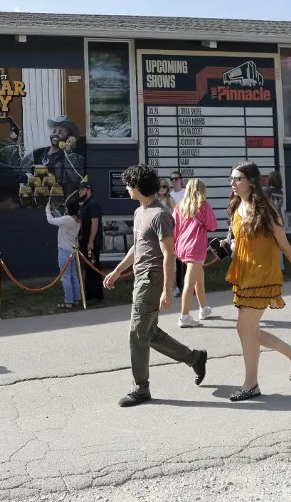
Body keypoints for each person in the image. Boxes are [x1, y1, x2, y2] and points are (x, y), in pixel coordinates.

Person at [103, 164, 208, 407]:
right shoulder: (141, 212)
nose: (127, 189)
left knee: (137, 333)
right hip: (141, 278)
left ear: (138, 187)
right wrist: (118, 271)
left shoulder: (161, 215)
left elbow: (168, 254)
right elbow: (137, 246)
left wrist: (167, 290)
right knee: (149, 333)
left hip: (152, 279)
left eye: (129, 185)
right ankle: (194, 358)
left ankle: (141, 388)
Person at [223, 161, 291, 402]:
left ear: (251, 182)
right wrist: (227, 246)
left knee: (244, 329)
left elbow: (286, 247)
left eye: (237, 179)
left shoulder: (268, 213)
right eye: (231, 179)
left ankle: (251, 384)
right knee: (250, 330)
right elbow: (240, 243)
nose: (232, 183)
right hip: (244, 275)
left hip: (263, 277)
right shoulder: (237, 207)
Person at [173, 179, 218, 327]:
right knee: (190, 282)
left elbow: (174, 229)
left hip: (182, 246)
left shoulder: (180, 207)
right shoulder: (203, 206)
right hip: (196, 247)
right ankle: (184, 316)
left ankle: (203, 308)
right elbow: (213, 226)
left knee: (199, 277)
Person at [46, 200, 81, 310]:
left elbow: (51, 220)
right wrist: (54, 210)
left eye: (66, 207)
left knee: (65, 277)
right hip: (72, 251)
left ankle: (68, 302)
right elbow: (61, 220)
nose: (65, 208)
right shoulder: (77, 220)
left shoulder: (67, 220)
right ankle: (77, 299)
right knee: (74, 276)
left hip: (64, 250)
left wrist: (47, 209)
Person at [77, 180, 104, 304]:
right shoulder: (85, 204)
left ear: (88, 190)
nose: (80, 192)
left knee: (94, 268)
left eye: (82, 190)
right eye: (79, 190)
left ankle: (97, 295)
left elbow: (95, 223)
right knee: (88, 268)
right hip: (85, 242)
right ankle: (89, 293)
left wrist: (91, 242)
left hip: (91, 243)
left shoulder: (93, 204)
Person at [157, 177, 184, 297]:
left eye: (164, 187)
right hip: (158, 234)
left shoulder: (169, 199)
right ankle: (163, 288)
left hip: (169, 232)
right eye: (160, 187)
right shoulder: (155, 200)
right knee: (160, 262)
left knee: (171, 263)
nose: (162, 189)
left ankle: (173, 287)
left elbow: (178, 213)